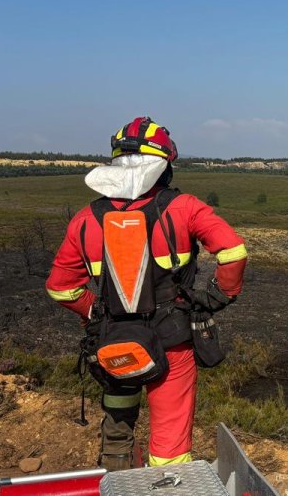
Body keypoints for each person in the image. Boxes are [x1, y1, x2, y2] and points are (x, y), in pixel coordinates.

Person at [45, 117, 247, 469]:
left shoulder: (85, 219)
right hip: (172, 342)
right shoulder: (184, 208)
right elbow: (233, 252)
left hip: (113, 341)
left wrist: (96, 311)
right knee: (170, 441)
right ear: (165, 165)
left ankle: (117, 475)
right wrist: (216, 297)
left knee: (119, 421)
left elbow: (61, 288)